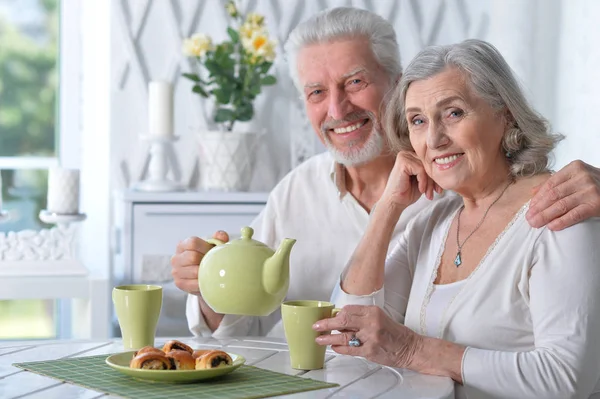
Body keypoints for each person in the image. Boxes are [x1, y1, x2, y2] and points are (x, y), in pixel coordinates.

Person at [171, 7, 600, 339]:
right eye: (317, 92)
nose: (337, 110)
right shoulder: (296, 191)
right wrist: (209, 287)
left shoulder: (461, 177)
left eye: (355, 82)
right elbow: (242, 326)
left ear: (398, 84)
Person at [313, 39, 600, 399]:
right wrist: (388, 207)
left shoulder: (561, 212)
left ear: (505, 113)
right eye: (417, 120)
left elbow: (567, 379)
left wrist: (413, 350)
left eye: (454, 113)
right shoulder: (434, 222)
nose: (434, 139)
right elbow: (348, 329)